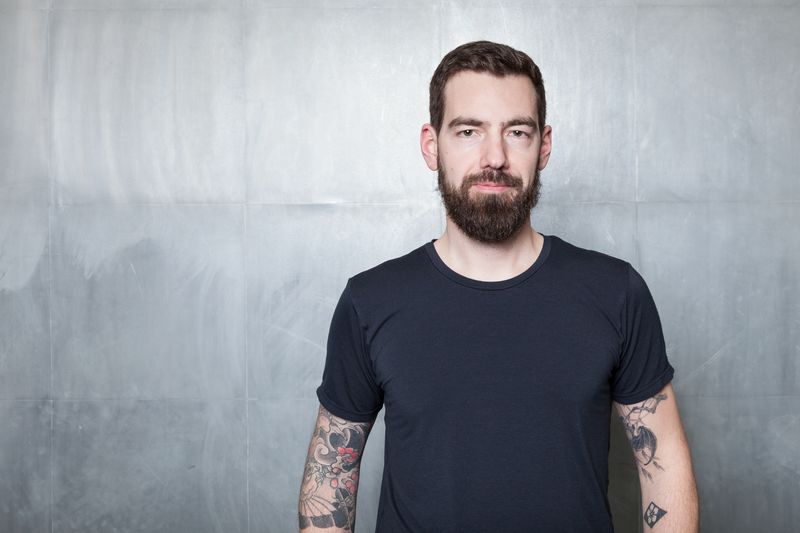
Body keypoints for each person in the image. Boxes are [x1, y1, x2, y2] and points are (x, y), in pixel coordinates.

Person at [298, 40, 698, 532]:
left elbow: (665, 465)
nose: (495, 157)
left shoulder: (616, 293)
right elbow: (329, 481)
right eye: (469, 131)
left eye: (517, 132)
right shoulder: (370, 301)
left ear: (543, 146)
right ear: (431, 145)